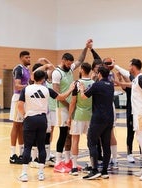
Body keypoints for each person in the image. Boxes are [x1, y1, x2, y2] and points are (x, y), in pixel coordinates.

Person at [17, 70, 75, 182]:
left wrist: (25, 115)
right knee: (41, 146)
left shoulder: (26, 89)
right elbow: (62, 97)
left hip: (30, 119)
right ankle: (41, 173)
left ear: (33, 78)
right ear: (43, 79)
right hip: (42, 119)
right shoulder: (47, 90)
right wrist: (71, 89)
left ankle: (24, 174)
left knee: (28, 146)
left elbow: (20, 105)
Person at [52, 40, 91, 173]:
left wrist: (85, 47)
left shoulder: (69, 69)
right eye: (68, 63)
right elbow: (56, 94)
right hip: (62, 106)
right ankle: (57, 162)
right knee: (63, 134)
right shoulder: (57, 73)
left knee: (70, 134)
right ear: (63, 60)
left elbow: (80, 60)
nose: (70, 66)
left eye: (71, 64)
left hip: (70, 106)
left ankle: (67, 161)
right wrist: (70, 105)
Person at [80, 65, 114, 180]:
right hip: (109, 118)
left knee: (91, 142)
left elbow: (84, 96)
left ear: (99, 74)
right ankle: (104, 171)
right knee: (106, 145)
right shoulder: (111, 85)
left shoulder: (97, 85)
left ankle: (94, 170)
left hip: (98, 118)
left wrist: (81, 88)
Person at [67, 62, 94, 176]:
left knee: (75, 140)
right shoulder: (94, 83)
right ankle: (92, 165)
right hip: (91, 116)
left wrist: (69, 117)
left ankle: (74, 168)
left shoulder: (77, 83)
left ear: (82, 69)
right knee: (91, 142)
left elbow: (73, 102)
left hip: (78, 115)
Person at [9, 51, 31, 164]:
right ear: (21, 58)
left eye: (29, 57)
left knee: (22, 126)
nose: (29, 59)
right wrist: (29, 86)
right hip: (18, 98)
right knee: (16, 125)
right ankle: (12, 154)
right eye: (27, 57)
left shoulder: (27, 69)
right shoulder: (19, 69)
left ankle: (22, 153)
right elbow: (17, 86)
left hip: (24, 98)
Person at [114, 65, 136, 163]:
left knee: (140, 135)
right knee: (130, 133)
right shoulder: (129, 87)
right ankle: (129, 153)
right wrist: (119, 77)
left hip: (138, 112)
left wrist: (120, 78)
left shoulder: (138, 83)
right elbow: (124, 85)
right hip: (130, 111)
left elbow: (126, 82)